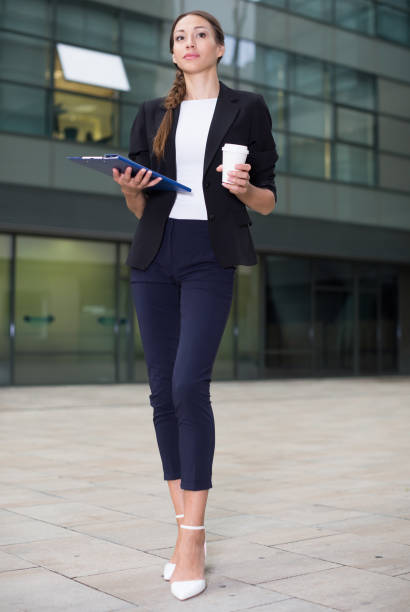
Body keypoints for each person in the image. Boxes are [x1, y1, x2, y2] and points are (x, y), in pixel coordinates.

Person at [113, 9, 279, 601]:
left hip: (211, 255)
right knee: (161, 390)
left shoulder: (248, 108)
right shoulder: (152, 114)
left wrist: (244, 189)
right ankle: (186, 531)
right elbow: (142, 209)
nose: (188, 43)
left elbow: (268, 202)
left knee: (189, 386)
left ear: (220, 48)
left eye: (199, 34)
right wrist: (133, 193)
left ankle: (192, 536)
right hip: (155, 258)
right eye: (179, 37)